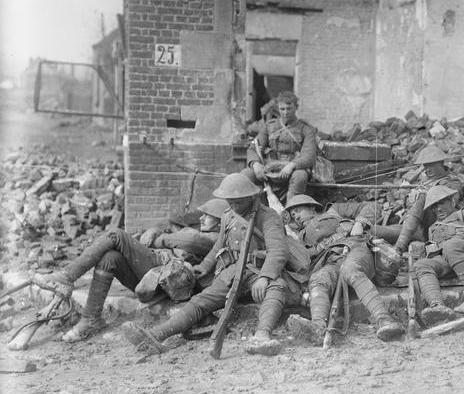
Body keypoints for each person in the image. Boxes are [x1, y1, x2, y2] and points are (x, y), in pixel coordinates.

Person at [122, 173, 293, 356]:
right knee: (201, 301)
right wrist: (204, 266)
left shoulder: (268, 217)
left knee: (277, 286)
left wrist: (265, 277)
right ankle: (156, 335)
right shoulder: (228, 215)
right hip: (233, 272)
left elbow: (278, 250)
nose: (234, 206)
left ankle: (262, 336)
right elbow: (219, 245)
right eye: (230, 202)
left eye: (239, 202)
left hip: (258, 270)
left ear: (251, 197)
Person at [37, 198, 227, 343]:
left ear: (219, 221)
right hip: (156, 279)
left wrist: (159, 238)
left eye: (207, 215)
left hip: (168, 280)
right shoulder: (203, 232)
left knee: (116, 235)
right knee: (109, 258)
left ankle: (67, 275)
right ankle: (90, 318)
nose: (201, 217)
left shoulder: (212, 237)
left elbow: (189, 241)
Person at [283, 195, 403, 345]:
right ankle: (318, 327)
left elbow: (373, 206)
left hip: (356, 247)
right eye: (293, 215)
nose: (296, 217)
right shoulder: (300, 238)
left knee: (350, 270)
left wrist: (360, 223)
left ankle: (385, 320)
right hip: (331, 261)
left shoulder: (334, 210)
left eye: (298, 211)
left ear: (312, 207)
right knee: (318, 279)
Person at [411, 186, 464, 321]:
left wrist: (462, 235)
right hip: (449, 260)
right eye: (434, 206)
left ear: (452, 201)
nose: (438, 209)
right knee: (421, 265)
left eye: (441, 203)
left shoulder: (463, 213)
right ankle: (437, 306)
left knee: (452, 246)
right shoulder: (433, 228)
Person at [386, 144, 464, 254]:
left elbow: (447, 204)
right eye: (425, 166)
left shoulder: (453, 182)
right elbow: (409, 202)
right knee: (378, 231)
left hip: (437, 227)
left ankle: (399, 247)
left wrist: (422, 195)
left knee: (422, 198)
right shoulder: (425, 180)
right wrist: (411, 198)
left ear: (440, 163)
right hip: (415, 226)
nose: (427, 169)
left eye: (430, 165)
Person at [243, 91, 317, 200]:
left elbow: (309, 155)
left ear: (296, 108)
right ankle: (248, 209)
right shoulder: (270, 126)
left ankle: (291, 208)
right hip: (269, 168)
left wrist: (291, 166)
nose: (285, 112)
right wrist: (256, 165)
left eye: (289, 108)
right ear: (278, 108)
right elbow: (253, 149)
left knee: (300, 177)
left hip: (293, 169)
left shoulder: (306, 129)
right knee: (246, 174)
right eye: (282, 109)